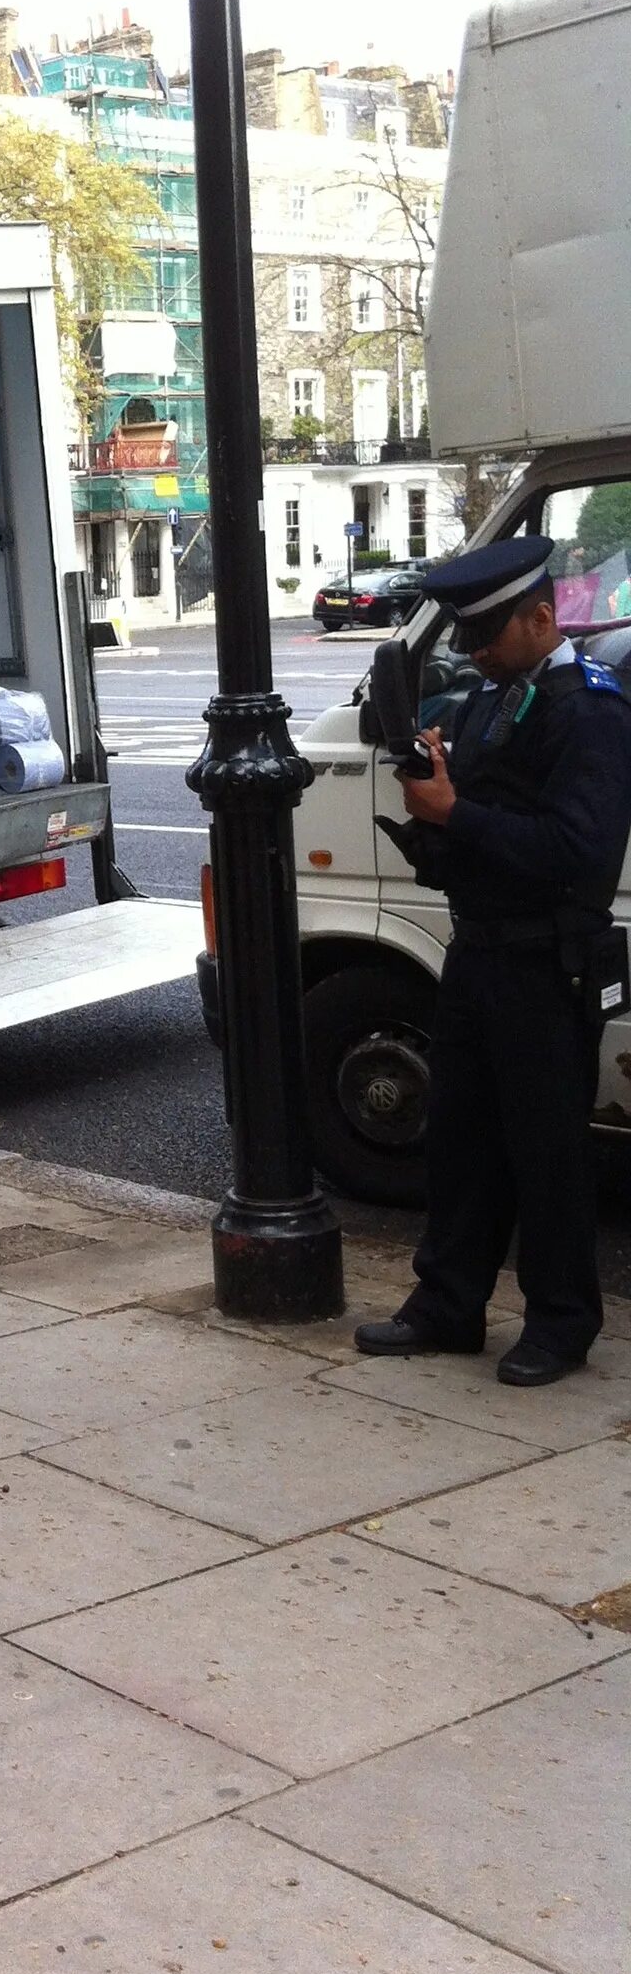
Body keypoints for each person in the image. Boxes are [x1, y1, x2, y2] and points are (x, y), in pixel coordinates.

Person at [356, 535, 631, 1385]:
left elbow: (577, 851)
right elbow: (468, 828)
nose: (474, 653)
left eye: (489, 637)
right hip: (477, 950)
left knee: (546, 1150)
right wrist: (429, 810)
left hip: (549, 961)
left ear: (542, 618)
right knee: (461, 1139)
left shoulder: (589, 710)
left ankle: (560, 1323)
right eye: (467, 640)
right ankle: (448, 1304)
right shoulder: (486, 700)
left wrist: (456, 816)